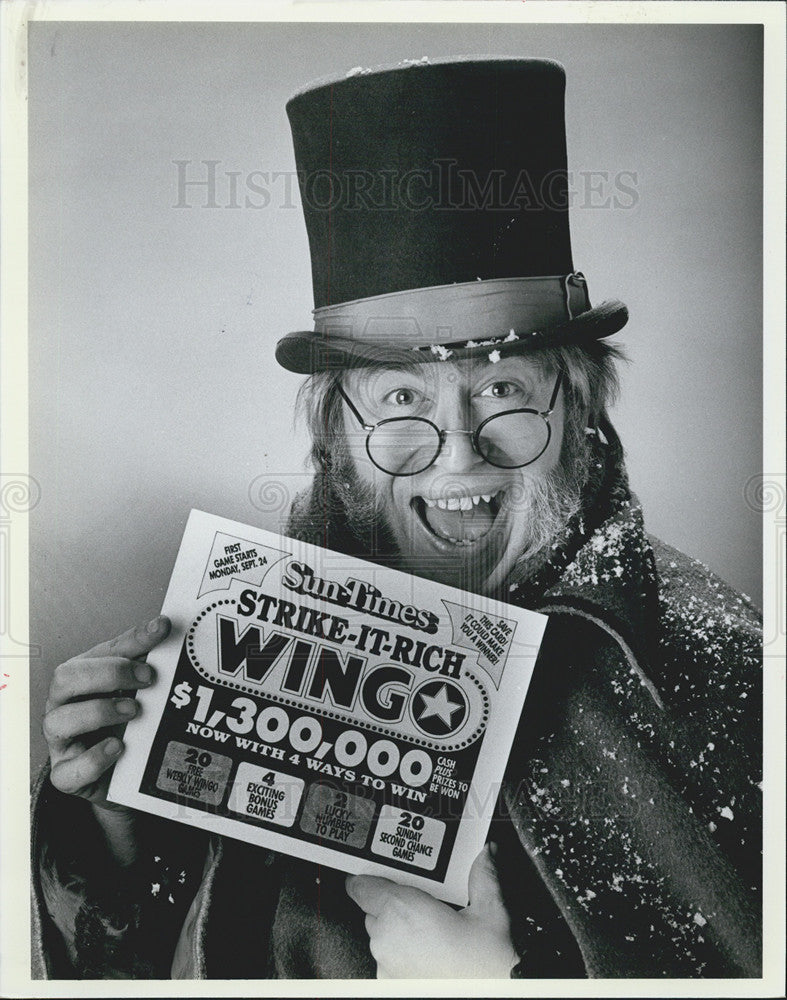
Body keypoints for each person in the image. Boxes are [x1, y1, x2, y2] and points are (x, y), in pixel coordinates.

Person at [31, 57, 762, 979]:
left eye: (503, 390)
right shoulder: (226, 653)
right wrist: (113, 816)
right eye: (401, 402)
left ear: (579, 412)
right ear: (336, 432)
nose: (458, 454)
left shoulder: (729, 669)